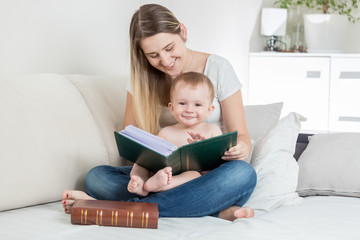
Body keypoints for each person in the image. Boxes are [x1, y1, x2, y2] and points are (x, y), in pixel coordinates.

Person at [62, 3, 257, 221]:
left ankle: (110, 209)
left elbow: (242, 136)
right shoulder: (142, 81)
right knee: (97, 177)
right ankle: (214, 209)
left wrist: (240, 149)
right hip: (161, 176)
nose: (165, 61)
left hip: (208, 177)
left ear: (182, 32)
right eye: (153, 55)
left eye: (169, 48)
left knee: (243, 174)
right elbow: (131, 138)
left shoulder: (218, 68)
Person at [128, 72, 222, 197]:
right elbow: (153, 157)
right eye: (182, 103)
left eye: (198, 104)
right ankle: (139, 182)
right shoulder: (167, 132)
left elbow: (218, 166)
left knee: (193, 174)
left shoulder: (212, 131)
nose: (189, 109)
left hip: (190, 183)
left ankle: (159, 186)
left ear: (209, 110)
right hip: (163, 172)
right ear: (172, 108)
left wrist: (202, 151)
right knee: (140, 162)